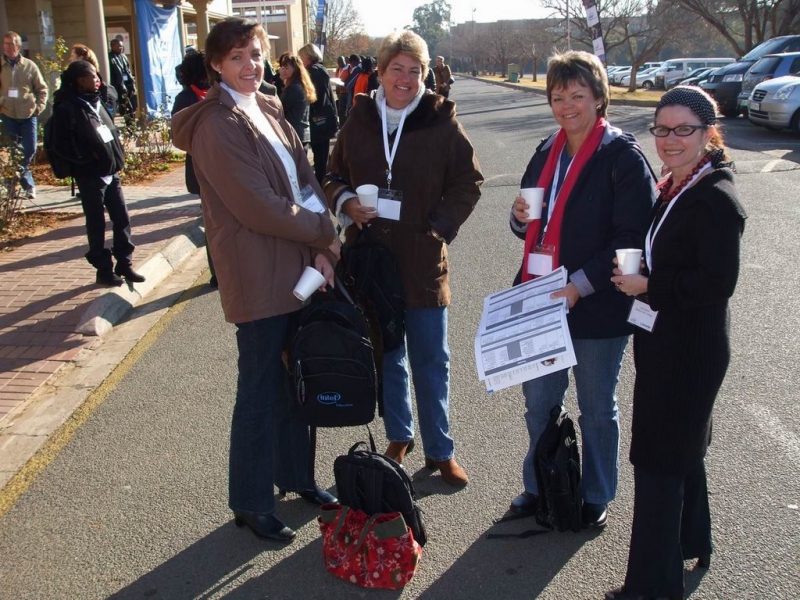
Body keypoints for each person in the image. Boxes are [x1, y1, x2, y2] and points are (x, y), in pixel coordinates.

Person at [171, 17, 340, 543]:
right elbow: (257, 206)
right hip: (257, 272)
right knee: (260, 389)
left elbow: (305, 179)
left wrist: (324, 246)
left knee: (297, 381)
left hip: (298, 264)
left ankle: (296, 476)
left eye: (256, 53)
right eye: (237, 56)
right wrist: (323, 232)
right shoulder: (215, 126)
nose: (251, 65)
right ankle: (250, 500)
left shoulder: (267, 106)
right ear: (216, 65)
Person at [323, 30, 483, 487]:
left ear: (425, 75)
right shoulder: (358, 121)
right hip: (372, 262)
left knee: (432, 360)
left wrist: (438, 226)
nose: (406, 79)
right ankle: (400, 434)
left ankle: (440, 449)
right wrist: (347, 202)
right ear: (381, 71)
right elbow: (332, 174)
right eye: (397, 69)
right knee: (389, 356)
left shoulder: (440, 121)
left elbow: (468, 181)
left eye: (415, 71)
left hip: (422, 260)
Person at [606, 86, 746, 600]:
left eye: (684, 129)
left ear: (709, 133)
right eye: (662, 129)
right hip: (667, 340)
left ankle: (651, 588)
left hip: (690, 349)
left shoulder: (716, 197)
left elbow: (717, 282)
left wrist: (650, 284)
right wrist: (643, 269)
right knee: (681, 450)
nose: (670, 139)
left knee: (657, 461)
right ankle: (692, 540)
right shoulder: (677, 183)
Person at [508, 50, 655, 528]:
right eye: (558, 96)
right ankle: (539, 485)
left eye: (577, 95)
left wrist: (578, 286)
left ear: (598, 98)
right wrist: (518, 217)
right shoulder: (546, 150)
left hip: (597, 305)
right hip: (539, 298)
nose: (567, 106)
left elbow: (631, 239)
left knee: (596, 408)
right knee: (539, 403)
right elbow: (527, 221)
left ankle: (596, 493)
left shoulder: (622, 157)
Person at [50, 61, 144, 286]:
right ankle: (103, 270)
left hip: (111, 172)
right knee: (96, 223)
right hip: (90, 175)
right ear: (80, 81)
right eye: (92, 77)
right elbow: (60, 144)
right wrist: (87, 159)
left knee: (122, 218)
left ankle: (124, 263)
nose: (98, 80)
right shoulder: (66, 108)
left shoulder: (96, 101)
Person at [171, 50, 216, 288]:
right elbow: (179, 135)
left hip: (224, 166)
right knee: (213, 223)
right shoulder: (186, 98)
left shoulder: (218, 90)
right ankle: (217, 273)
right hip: (202, 167)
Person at [0, 31, 48, 199]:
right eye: (5, 44)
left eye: (11, 44)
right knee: (13, 152)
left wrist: (38, 107)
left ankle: (12, 181)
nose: (8, 47)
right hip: (8, 114)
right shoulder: (1, 66)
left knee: (29, 149)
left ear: (18, 47)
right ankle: (26, 185)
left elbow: (42, 89)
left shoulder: (29, 65)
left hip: (28, 115)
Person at [298, 43, 338, 183]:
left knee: (320, 159)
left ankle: (322, 187)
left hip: (318, 121)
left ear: (307, 56)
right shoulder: (320, 69)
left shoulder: (313, 71)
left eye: (301, 57)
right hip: (324, 120)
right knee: (322, 158)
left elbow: (315, 97)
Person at [277, 53, 316, 149]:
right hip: (302, 132)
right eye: (282, 67)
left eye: (287, 68)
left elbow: (280, 106)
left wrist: (280, 81)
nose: (283, 70)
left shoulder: (294, 88)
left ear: (295, 69)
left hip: (294, 133)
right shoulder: (301, 84)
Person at [68, 43, 117, 117]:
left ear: (81, 58)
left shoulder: (105, 90)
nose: (70, 59)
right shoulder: (72, 86)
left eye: (72, 56)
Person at [108, 38, 137, 121]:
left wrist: (131, 82)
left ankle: (130, 122)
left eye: (121, 46)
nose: (121, 48)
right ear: (113, 47)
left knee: (132, 105)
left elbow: (127, 70)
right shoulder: (110, 58)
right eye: (119, 46)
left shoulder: (123, 56)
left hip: (127, 83)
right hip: (118, 85)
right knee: (126, 106)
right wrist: (119, 85)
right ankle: (129, 123)